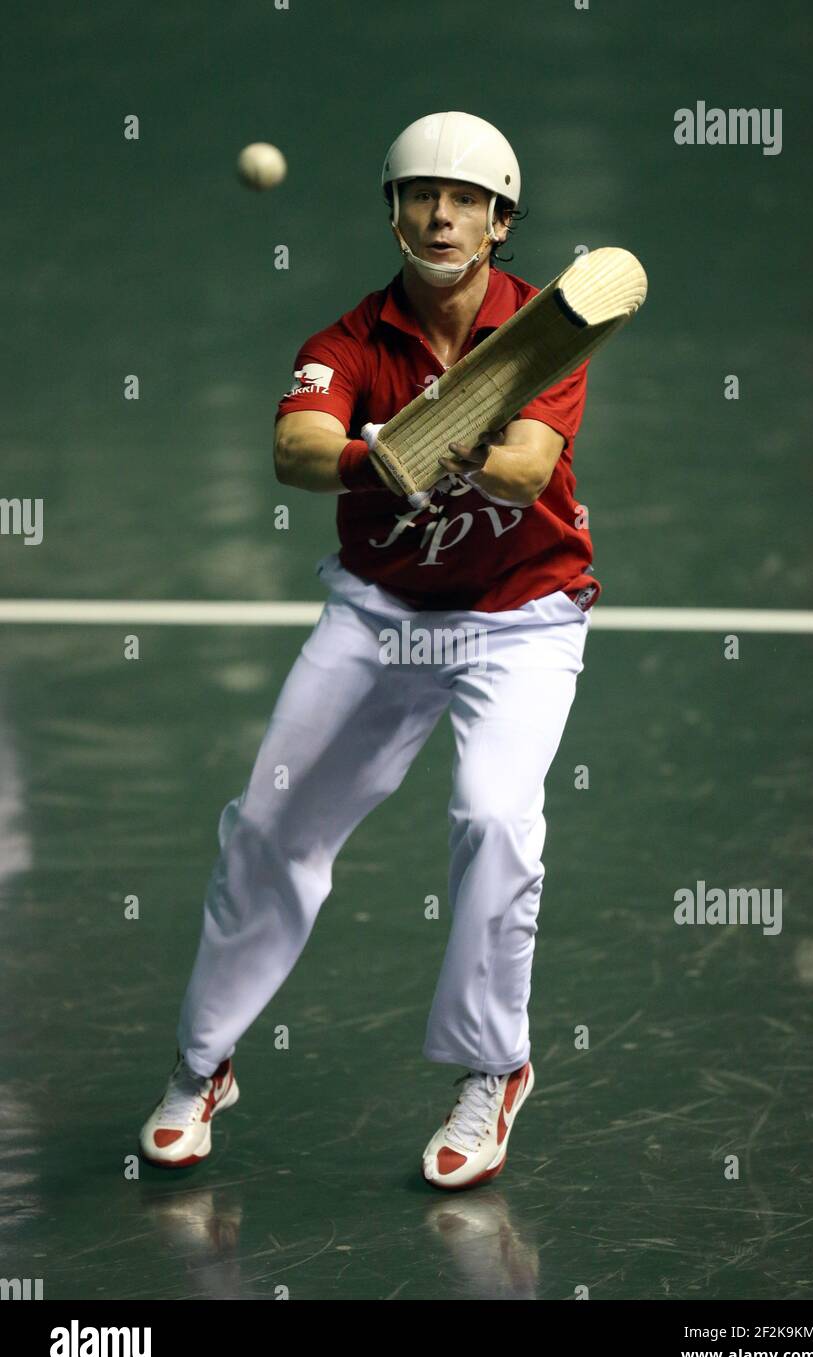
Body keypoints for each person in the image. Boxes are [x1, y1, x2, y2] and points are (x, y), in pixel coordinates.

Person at [139, 111, 598, 1190]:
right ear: (392, 212)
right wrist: (371, 460)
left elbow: (527, 469)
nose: (440, 214)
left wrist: (449, 435)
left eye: (464, 199)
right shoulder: (345, 342)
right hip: (379, 614)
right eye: (418, 195)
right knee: (268, 823)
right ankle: (204, 1063)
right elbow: (296, 446)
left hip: (521, 612)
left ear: (499, 221)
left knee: (493, 815)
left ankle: (493, 1068)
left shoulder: (545, 332)